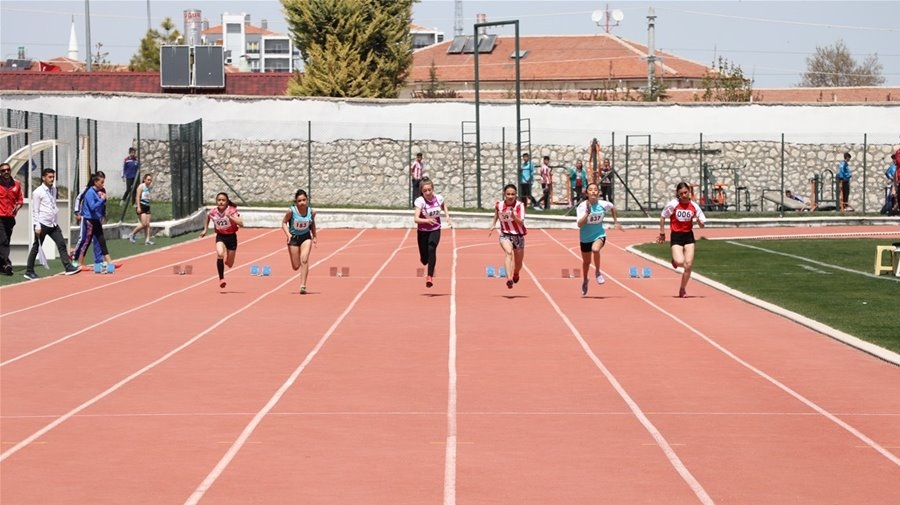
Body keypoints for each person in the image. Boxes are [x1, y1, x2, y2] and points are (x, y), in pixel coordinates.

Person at [24, 168, 81, 279]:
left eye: (53, 177)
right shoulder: (37, 192)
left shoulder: (54, 190)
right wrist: (37, 225)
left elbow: (52, 204)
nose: (52, 179)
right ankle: (29, 271)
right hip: (42, 223)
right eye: (50, 177)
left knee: (61, 244)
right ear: (43, 178)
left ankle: (68, 267)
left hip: (53, 224)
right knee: (36, 247)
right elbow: (35, 210)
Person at [657, 181, 706, 298]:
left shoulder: (694, 206)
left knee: (688, 265)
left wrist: (700, 222)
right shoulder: (673, 204)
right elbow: (663, 216)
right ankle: (674, 261)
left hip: (688, 236)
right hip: (676, 236)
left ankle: (683, 289)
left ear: (689, 192)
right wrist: (662, 233)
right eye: (681, 193)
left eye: (686, 192)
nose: (684, 195)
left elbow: (702, 224)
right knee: (680, 262)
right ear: (677, 194)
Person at [576, 182, 622, 296]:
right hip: (585, 238)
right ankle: (586, 280)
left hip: (599, 235)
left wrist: (616, 222)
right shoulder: (582, 207)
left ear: (598, 192)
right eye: (590, 189)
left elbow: (612, 207)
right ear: (587, 193)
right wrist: (587, 214)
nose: (593, 191)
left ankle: (597, 272)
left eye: (595, 190)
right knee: (586, 262)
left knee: (596, 250)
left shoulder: (603, 204)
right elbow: (579, 224)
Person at [413, 177, 452, 288]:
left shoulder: (438, 198)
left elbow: (444, 205)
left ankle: (429, 276)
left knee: (432, 248)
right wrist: (427, 220)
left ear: (433, 189)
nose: (428, 193)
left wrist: (448, 216)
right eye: (425, 191)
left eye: (429, 190)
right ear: (422, 191)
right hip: (422, 231)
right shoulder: (420, 201)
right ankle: (424, 259)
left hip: (435, 229)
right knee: (424, 259)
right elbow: (416, 219)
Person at [72, 172, 115, 272]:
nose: (103, 184)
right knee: (85, 242)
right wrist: (101, 200)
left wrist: (103, 200)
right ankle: (78, 262)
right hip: (89, 220)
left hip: (96, 220)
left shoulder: (98, 192)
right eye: (101, 182)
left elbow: (100, 205)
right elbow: (92, 207)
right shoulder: (89, 192)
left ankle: (107, 264)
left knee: (101, 241)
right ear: (95, 182)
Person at [200, 192, 243, 289]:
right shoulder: (213, 212)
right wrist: (205, 229)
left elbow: (241, 223)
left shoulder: (232, 210)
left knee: (230, 264)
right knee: (220, 254)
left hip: (231, 237)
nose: (221, 202)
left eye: (223, 200)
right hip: (220, 236)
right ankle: (221, 279)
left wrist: (230, 217)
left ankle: (228, 260)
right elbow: (208, 217)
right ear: (216, 201)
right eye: (219, 200)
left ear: (227, 202)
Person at [488, 184, 527, 289]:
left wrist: (514, 216)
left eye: (513, 194)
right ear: (504, 194)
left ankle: (515, 273)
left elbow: (521, 223)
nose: (510, 196)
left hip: (518, 236)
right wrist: (493, 225)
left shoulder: (520, 206)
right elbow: (497, 214)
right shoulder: (499, 205)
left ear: (516, 195)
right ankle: (509, 279)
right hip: (505, 234)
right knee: (508, 253)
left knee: (518, 264)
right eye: (508, 194)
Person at [282, 188, 317, 294]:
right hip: (293, 238)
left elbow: (312, 224)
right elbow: (283, 223)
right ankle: (295, 262)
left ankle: (303, 285)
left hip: (306, 237)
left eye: (304, 200)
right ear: (296, 202)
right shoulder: (291, 211)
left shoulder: (311, 211)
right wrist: (288, 235)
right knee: (296, 266)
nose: (302, 203)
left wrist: (314, 236)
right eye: (299, 201)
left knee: (304, 260)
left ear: (307, 200)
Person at [0, 162, 24, 276]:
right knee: (3, 240)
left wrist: (17, 208)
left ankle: (1, 266)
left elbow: (20, 200)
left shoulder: (17, 184)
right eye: (3, 170)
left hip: (10, 218)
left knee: (6, 241)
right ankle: (7, 264)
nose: (6, 172)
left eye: (7, 170)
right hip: (0, 217)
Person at [128, 174, 154, 245]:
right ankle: (132, 234)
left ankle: (147, 240)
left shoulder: (149, 187)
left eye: (150, 180)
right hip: (141, 206)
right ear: (144, 179)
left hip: (147, 206)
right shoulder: (141, 186)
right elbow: (137, 197)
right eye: (148, 180)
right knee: (144, 223)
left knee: (148, 224)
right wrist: (138, 207)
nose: (149, 181)